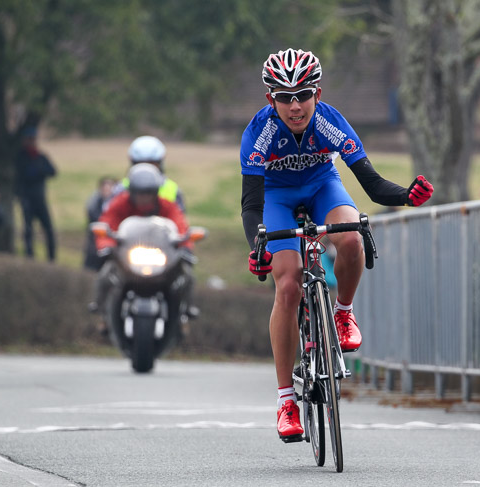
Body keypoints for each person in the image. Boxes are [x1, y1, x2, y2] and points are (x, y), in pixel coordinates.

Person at [240, 48, 434, 442]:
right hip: (275, 197)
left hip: (321, 187)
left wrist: (405, 196)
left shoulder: (330, 123)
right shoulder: (258, 133)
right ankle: (285, 402)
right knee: (289, 283)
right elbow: (252, 205)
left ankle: (343, 313)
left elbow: (373, 185)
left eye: (303, 95)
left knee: (351, 233)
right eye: (284, 97)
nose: (295, 106)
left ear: (318, 94)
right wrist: (257, 248)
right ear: (270, 99)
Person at [89, 163, 194, 321]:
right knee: (106, 272)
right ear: (131, 192)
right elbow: (107, 223)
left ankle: (185, 312)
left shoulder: (167, 206)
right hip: (127, 255)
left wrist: (185, 247)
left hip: (160, 255)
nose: (143, 198)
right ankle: (101, 310)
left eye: (148, 193)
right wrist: (106, 245)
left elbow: (181, 226)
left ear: (155, 192)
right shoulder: (120, 204)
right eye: (139, 193)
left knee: (186, 273)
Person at [14, 126, 57, 261]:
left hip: (40, 198)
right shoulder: (20, 157)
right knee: (28, 230)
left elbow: (52, 171)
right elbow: (23, 176)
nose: (32, 142)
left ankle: (51, 258)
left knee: (49, 229)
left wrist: (38, 171)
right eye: (29, 139)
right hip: (27, 199)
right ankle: (29, 257)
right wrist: (38, 171)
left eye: (33, 139)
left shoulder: (40, 156)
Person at [113, 136, 186, 213]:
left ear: (160, 163)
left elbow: (179, 220)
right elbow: (109, 218)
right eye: (140, 164)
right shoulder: (120, 189)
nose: (146, 169)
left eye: (152, 164)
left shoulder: (173, 190)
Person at [83, 176, 118, 271]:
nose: (107, 189)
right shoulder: (94, 202)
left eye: (110, 186)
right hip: (97, 240)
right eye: (104, 186)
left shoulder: (119, 202)